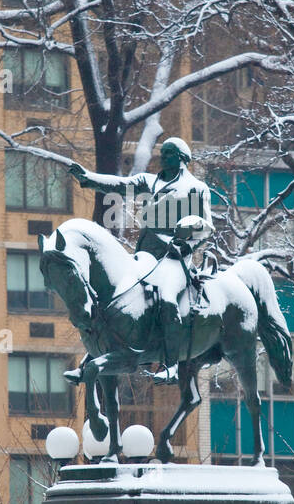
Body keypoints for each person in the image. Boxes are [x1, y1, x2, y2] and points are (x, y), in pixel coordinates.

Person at [69, 138, 213, 365]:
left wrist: (188, 245)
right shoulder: (150, 183)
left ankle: (171, 366)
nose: (163, 158)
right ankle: (101, 351)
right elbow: (118, 185)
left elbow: (206, 226)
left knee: (167, 300)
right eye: (163, 153)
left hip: (173, 259)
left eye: (169, 154)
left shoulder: (196, 188)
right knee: (116, 295)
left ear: (182, 159)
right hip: (144, 255)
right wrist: (88, 178)